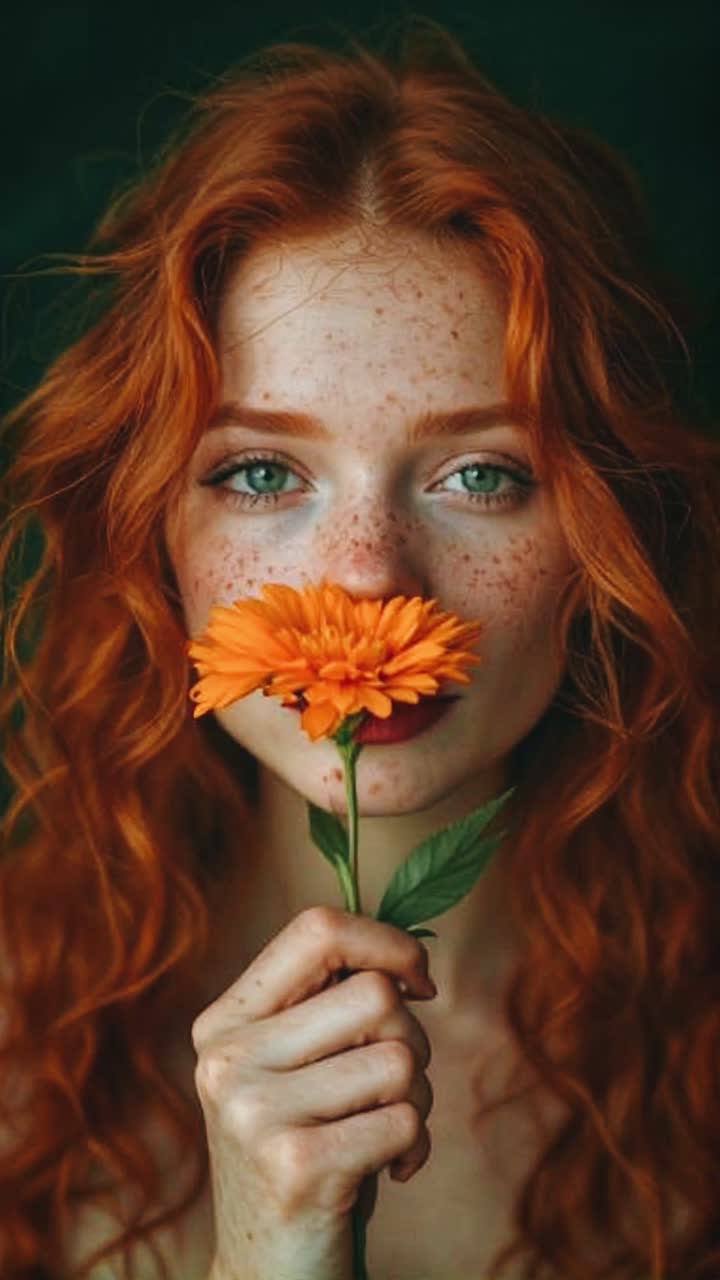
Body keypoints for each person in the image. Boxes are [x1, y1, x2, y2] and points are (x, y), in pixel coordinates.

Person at [1, 16, 718, 1280]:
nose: (369, 580)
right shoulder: (21, 1040)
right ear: (149, 527)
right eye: (265, 470)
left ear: (607, 532)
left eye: (483, 473)